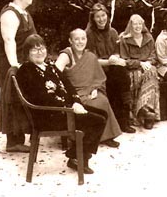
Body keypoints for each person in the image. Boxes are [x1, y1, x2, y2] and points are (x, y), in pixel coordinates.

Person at [16, 34, 107, 174]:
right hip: (47, 116)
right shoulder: (26, 70)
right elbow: (41, 98)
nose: (40, 52)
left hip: (63, 110)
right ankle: (78, 158)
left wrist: (76, 102)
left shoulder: (50, 67)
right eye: (34, 50)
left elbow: (69, 87)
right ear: (27, 52)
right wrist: (70, 107)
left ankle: (75, 154)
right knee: (97, 121)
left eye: (42, 48)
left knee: (102, 113)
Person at [55, 29, 121, 148]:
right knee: (90, 105)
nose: (80, 42)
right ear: (70, 41)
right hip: (73, 93)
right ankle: (80, 137)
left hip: (89, 89)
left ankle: (105, 136)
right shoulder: (66, 54)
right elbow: (55, 72)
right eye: (76, 39)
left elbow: (97, 78)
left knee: (102, 100)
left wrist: (95, 88)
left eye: (83, 38)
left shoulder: (90, 56)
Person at [0, 0, 37, 153]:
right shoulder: (10, 14)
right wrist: (14, 65)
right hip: (10, 63)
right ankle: (13, 142)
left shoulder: (24, 13)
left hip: (23, 63)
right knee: (12, 98)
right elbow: (9, 39)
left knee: (22, 99)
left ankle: (20, 137)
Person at [85, 3, 135, 133]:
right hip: (98, 67)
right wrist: (108, 61)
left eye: (103, 15)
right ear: (93, 19)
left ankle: (123, 118)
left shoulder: (112, 32)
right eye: (98, 17)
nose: (101, 19)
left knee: (122, 77)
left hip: (112, 66)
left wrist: (115, 57)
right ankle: (117, 122)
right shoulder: (89, 34)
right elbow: (91, 58)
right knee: (114, 81)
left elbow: (117, 51)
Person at [119, 14, 160, 129]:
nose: (137, 26)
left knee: (151, 72)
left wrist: (148, 63)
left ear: (143, 25)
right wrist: (140, 63)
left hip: (147, 66)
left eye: (140, 24)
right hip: (132, 68)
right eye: (134, 24)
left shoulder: (149, 38)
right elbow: (124, 59)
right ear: (130, 25)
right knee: (135, 76)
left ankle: (148, 113)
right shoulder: (124, 39)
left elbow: (154, 56)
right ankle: (134, 113)